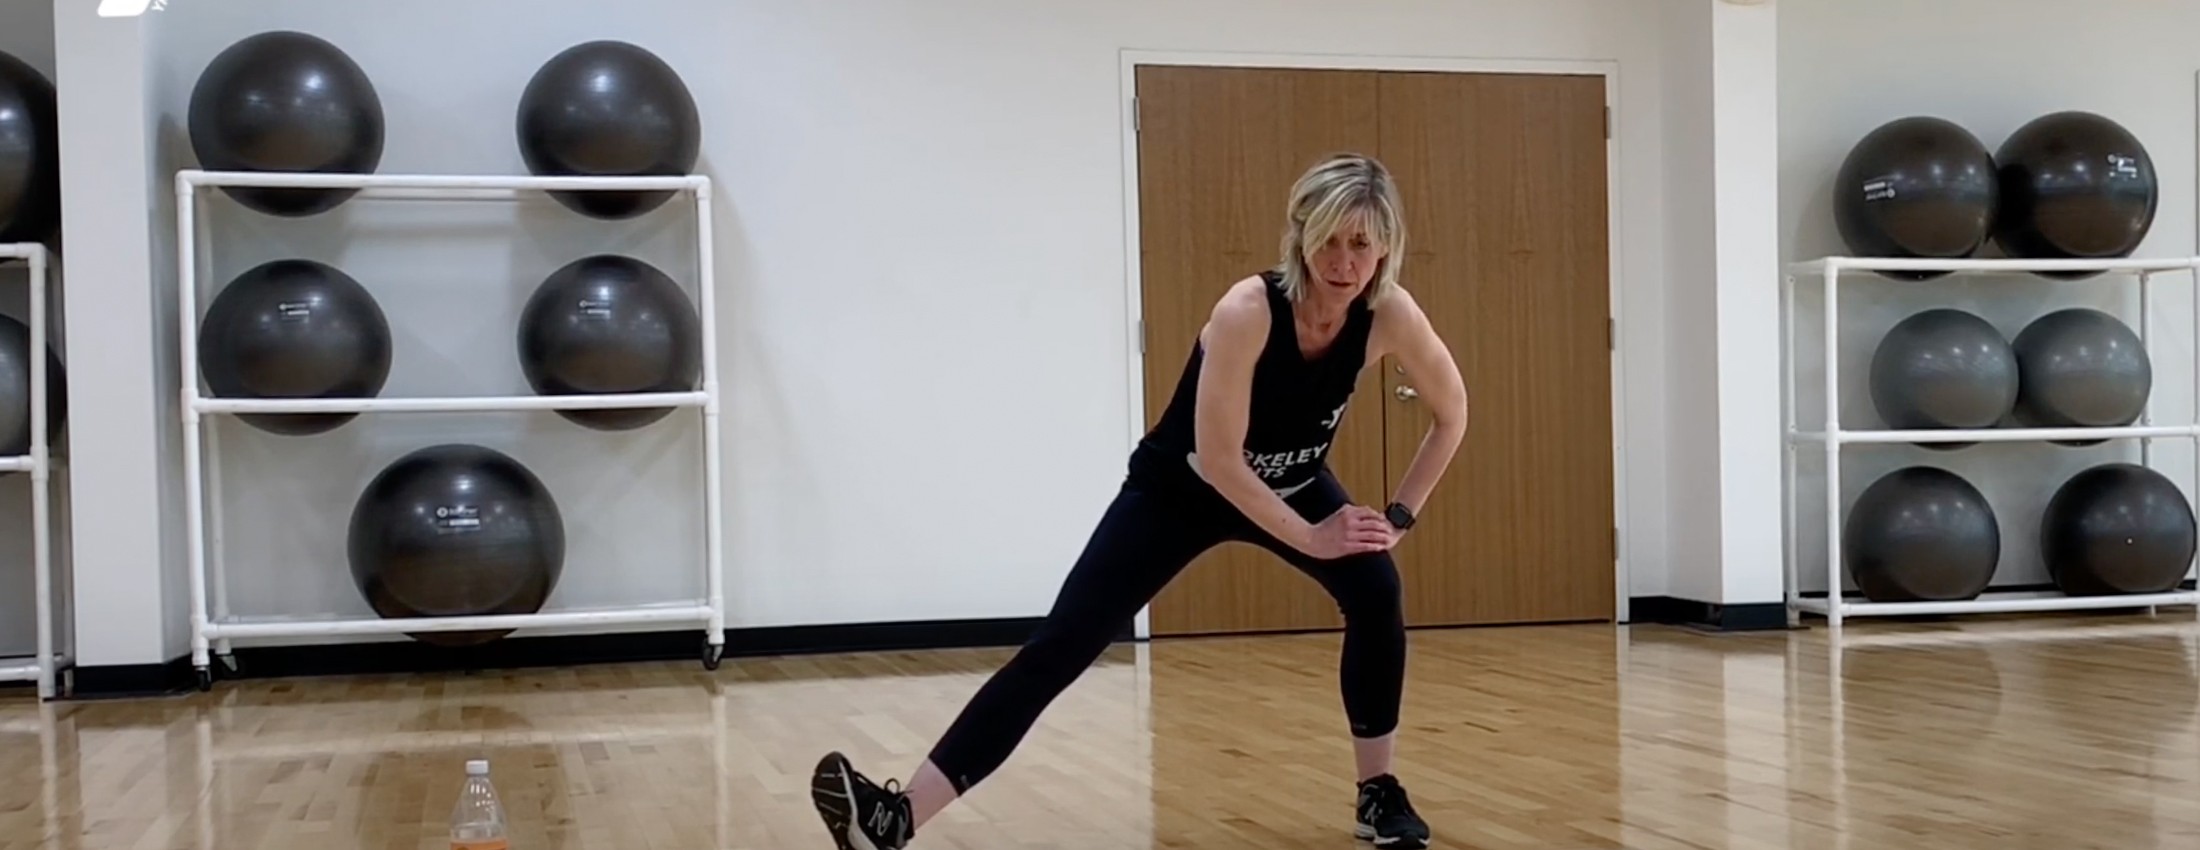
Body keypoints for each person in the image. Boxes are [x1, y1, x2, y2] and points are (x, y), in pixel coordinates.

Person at [809, 152, 1470, 850]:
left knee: (1376, 589)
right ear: (1300, 233)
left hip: (1291, 480)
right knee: (1064, 644)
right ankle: (897, 818)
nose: (1342, 261)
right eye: (1328, 238)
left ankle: (1377, 791)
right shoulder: (1248, 312)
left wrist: (1397, 518)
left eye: (1361, 243)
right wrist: (1312, 536)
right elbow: (1221, 462)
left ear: (1385, 247)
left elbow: (1452, 413)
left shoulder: (1388, 314)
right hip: (1181, 489)